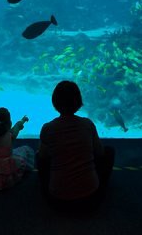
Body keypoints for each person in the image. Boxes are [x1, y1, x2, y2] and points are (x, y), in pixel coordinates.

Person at [37, 81, 115, 213]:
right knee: (109, 151)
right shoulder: (87, 124)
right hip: (91, 200)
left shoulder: (48, 128)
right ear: (79, 102)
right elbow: (100, 152)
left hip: (56, 201)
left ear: (54, 102)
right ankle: (100, 184)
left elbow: (43, 156)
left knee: (39, 156)